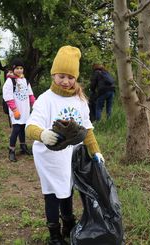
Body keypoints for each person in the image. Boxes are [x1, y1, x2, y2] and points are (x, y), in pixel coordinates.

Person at [26, 45, 104, 245]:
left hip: (70, 157)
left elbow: (87, 129)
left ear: (75, 78)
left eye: (70, 77)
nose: (66, 81)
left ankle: (69, 225)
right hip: (48, 157)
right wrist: (42, 134)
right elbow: (30, 127)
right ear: (53, 74)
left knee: (67, 190)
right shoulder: (46, 100)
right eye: (61, 75)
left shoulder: (80, 100)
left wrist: (95, 151)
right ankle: (54, 235)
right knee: (52, 193)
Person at [2, 59, 36, 162]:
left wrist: (34, 105)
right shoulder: (10, 81)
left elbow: (30, 95)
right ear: (13, 69)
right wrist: (14, 110)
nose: (19, 70)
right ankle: (11, 150)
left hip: (25, 109)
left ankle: (23, 147)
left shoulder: (25, 80)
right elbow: (8, 97)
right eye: (17, 68)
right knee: (16, 129)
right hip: (16, 110)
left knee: (22, 128)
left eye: (21, 68)